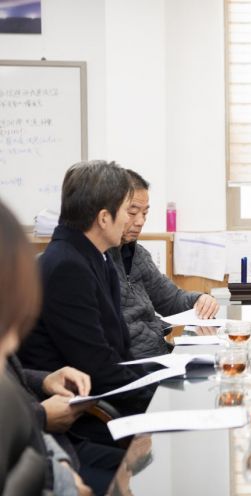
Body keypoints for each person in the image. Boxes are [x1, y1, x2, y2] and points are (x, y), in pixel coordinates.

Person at [18, 161, 152, 430]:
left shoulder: (95, 257)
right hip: (80, 418)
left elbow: (120, 351)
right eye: (128, 210)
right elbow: (98, 368)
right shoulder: (68, 267)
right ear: (104, 218)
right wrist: (160, 400)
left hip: (107, 401)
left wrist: (159, 383)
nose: (131, 220)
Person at [0, 199, 93, 496]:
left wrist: (44, 379)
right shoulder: (66, 264)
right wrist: (41, 414)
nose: (13, 343)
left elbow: (14, 378)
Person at [108, 170, 219, 358]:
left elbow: (171, 299)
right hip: (135, 365)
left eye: (145, 213)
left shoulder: (138, 254)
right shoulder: (96, 260)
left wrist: (199, 299)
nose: (140, 221)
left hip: (161, 354)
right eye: (133, 212)